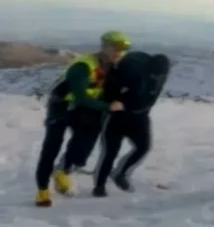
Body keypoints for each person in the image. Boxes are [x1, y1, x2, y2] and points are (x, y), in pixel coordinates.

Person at [34, 31, 130, 208]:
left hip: (82, 108)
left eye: (124, 48)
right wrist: (107, 107)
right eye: (116, 47)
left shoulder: (113, 67)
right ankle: (42, 191)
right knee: (52, 146)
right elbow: (80, 96)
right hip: (61, 106)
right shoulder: (83, 66)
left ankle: (63, 171)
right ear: (105, 46)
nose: (119, 52)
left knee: (86, 139)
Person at [93, 51, 170, 197]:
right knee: (110, 153)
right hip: (119, 117)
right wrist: (112, 103)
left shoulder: (158, 75)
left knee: (143, 147)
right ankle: (99, 186)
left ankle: (120, 174)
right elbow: (111, 89)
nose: (158, 77)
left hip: (139, 118)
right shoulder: (134, 71)